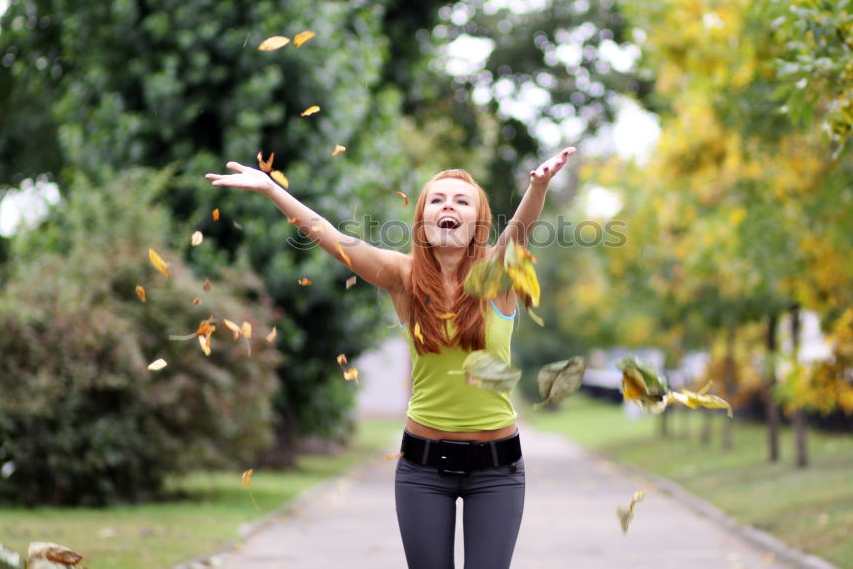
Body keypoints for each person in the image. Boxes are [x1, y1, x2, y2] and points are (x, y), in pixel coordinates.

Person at [205, 146, 575, 568]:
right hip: (423, 469)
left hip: (497, 471)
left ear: (478, 222)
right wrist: (273, 190)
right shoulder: (403, 277)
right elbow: (332, 237)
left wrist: (539, 186)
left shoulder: (498, 273)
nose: (447, 206)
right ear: (423, 221)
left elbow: (521, 229)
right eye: (436, 200)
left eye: (460, 200)